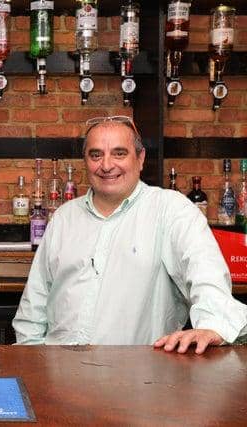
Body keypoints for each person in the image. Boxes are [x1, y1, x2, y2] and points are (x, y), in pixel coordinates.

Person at [13, 115, 247, 354]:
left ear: (140, 158)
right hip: (59, 376)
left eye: (119, 153)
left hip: (138, 381)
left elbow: (206, 275)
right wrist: (34, 366)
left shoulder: (171, 210)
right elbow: (33, 310)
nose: (106, 165)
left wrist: (212, 324)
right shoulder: (64, 218)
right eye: (96, 155)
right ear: (85, 161)